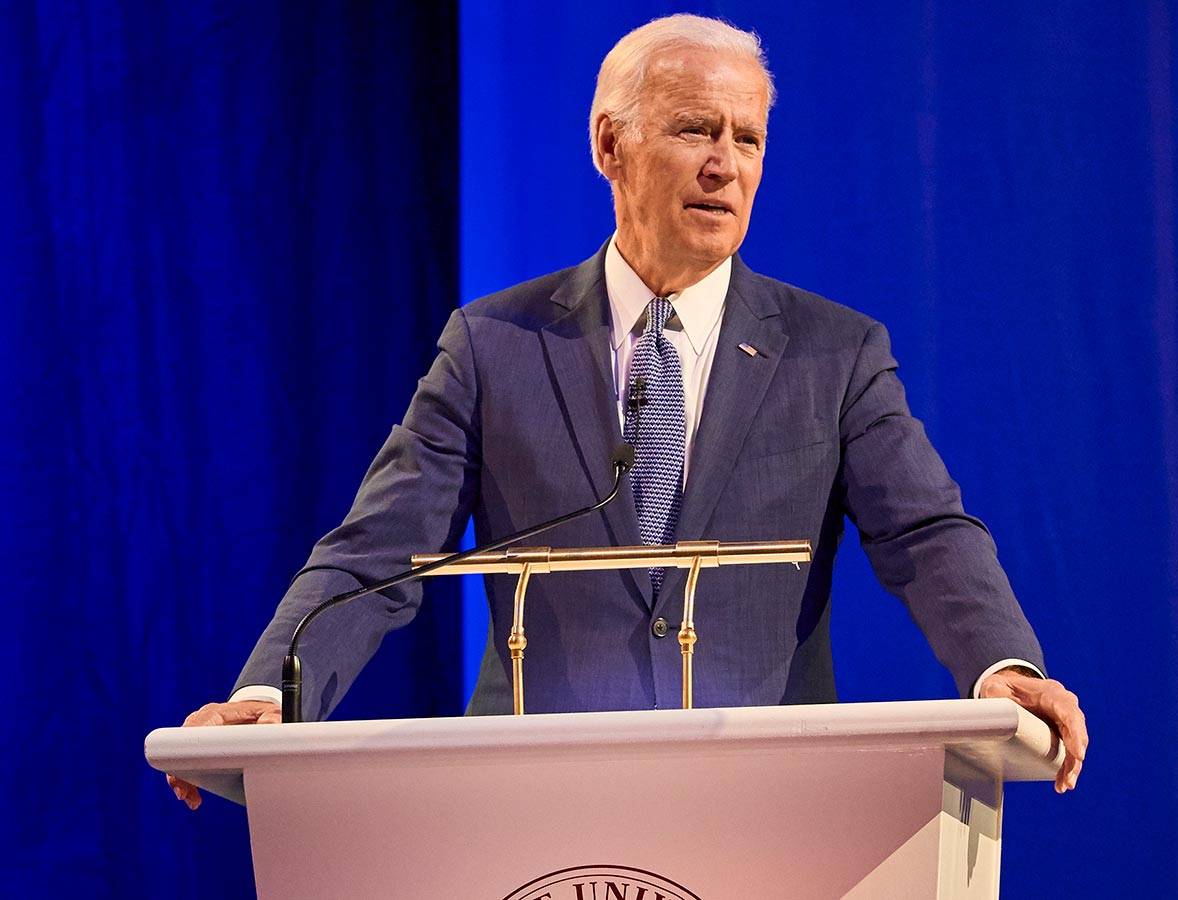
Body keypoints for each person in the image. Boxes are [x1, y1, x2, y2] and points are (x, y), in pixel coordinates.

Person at [168, 14, 1086, 810]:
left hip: (771, 798)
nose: (726, 166)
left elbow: (926, 533)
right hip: (533, 799)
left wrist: (1004, 667)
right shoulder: (495, 345)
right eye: (695, 130)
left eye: (749, 139)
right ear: (610, 145)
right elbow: (377, 552)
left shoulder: (833, 352)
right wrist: (272, 693)